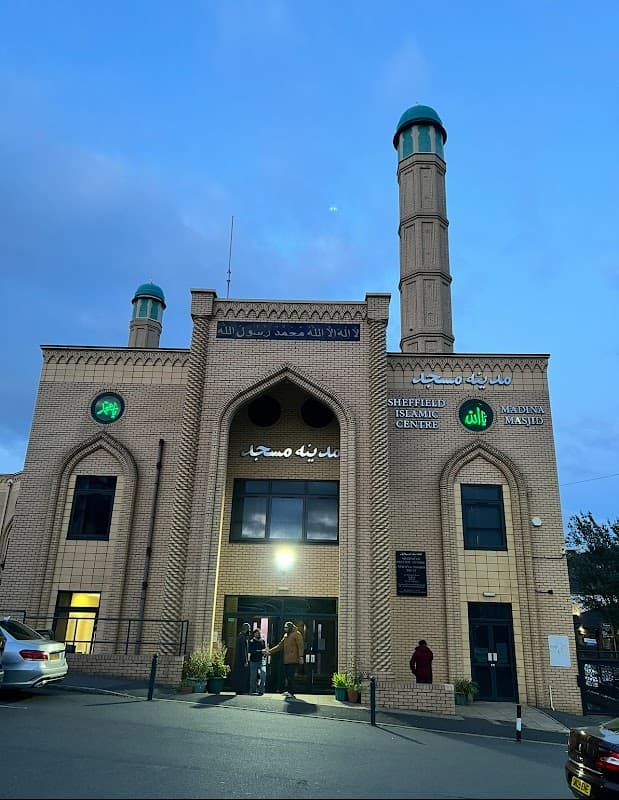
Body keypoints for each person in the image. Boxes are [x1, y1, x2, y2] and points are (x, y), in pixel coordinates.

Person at [266, 621, 304, 700]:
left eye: (286, 627)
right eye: (284, 627)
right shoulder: (286, 635)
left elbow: (300, 646)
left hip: (294, 659)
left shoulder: (297, 634)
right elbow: (280, 646)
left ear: (290, 627)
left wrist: (301, 656)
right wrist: (270, 651)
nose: (285, 629)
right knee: (287, 676)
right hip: (286, 659)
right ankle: (288, 691)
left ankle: (291, 692)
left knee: (290, 676)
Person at [230, 622, 251, 694]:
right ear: (247, 629)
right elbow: (243, 650)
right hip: (241, 660)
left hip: (238, 660)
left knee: (238, 674)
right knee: (241, 675)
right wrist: (245, 661)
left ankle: (238, 689)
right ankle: (240, 689)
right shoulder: (243, 637)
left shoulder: (240, 636)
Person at [248, 628, 266, 695]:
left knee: (263, 674)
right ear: (254, 634)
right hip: (253, 661)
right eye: (257, 633)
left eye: (259, 633)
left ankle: (261, 690)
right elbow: (251, 651)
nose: (258, 634)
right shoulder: (251, 641)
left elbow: (264, 649)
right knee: (253, 676)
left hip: (261, 661)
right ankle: (253, 690)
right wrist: (260, 651)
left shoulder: (262, 641)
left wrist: (265, 653)